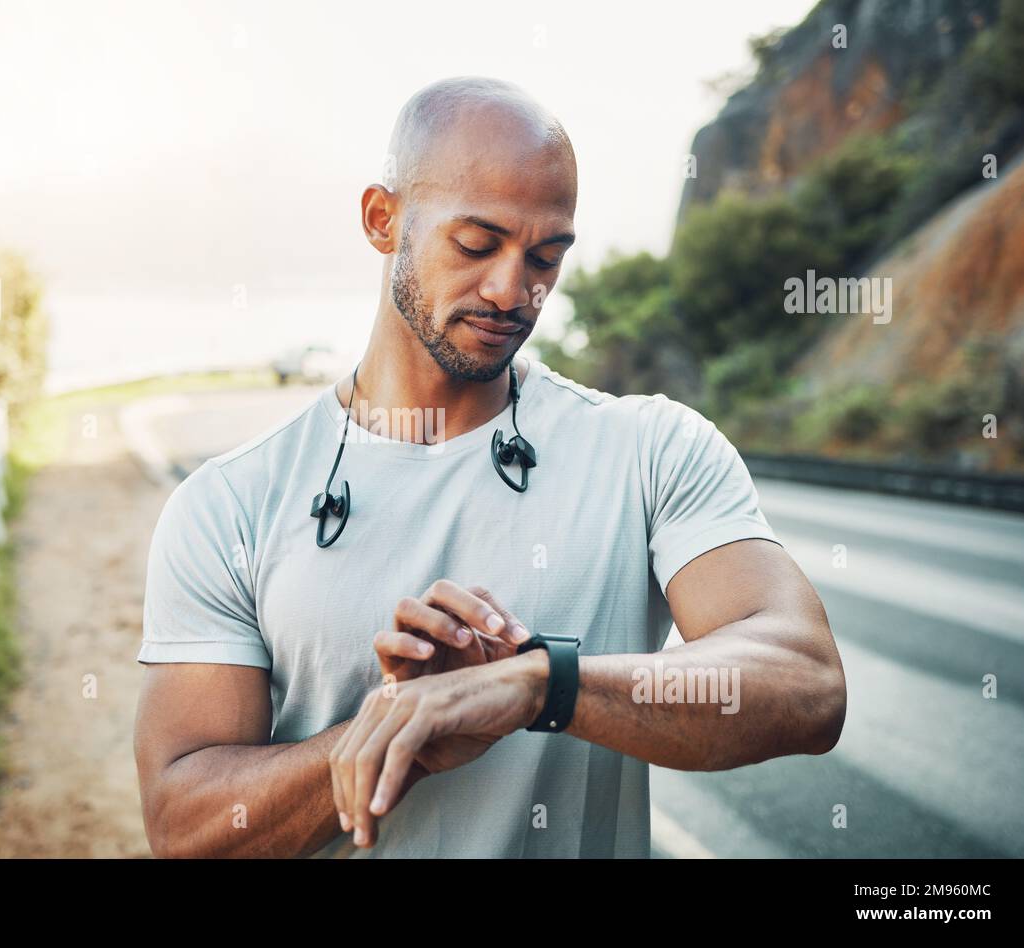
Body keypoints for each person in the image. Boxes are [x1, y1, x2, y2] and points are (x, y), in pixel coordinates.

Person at [133, 76, 846, 857]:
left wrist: (537, 686)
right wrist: (396, 739)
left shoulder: (651, 448)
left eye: (546, 255)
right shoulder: (229, 504)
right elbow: (183, 825)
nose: (514, 290)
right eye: (476, 245)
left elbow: (807, 684)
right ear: (383, 219)